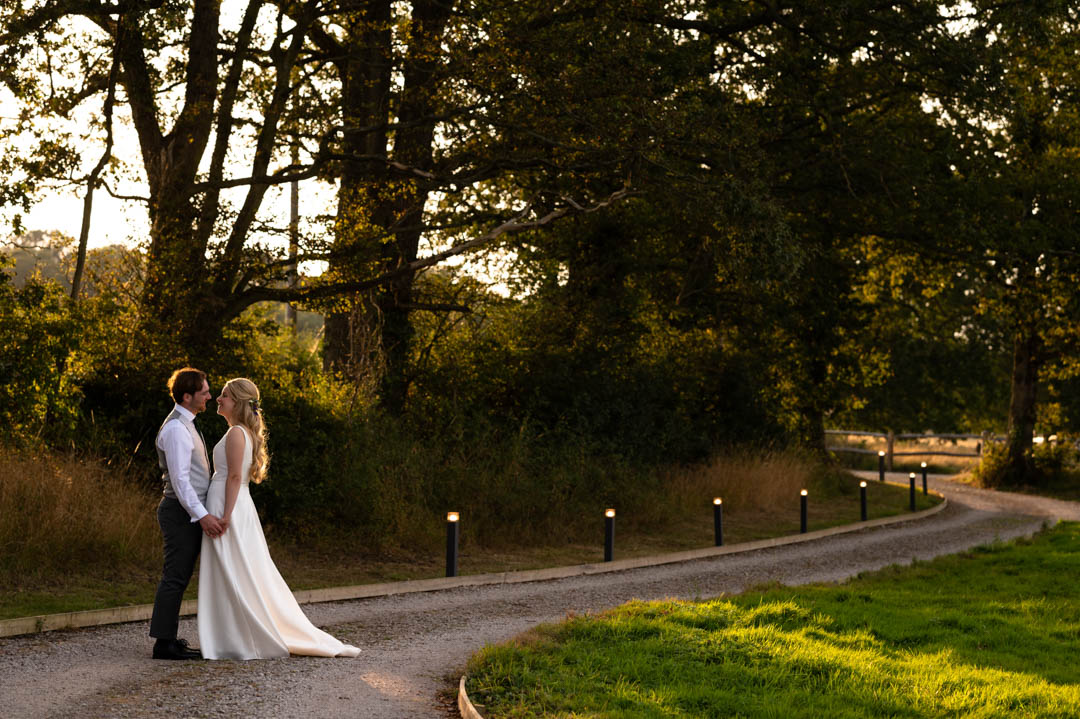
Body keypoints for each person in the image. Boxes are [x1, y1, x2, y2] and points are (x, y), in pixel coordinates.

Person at [197, 378, 360, 660]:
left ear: (237, 402)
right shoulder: (241, 432)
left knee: (232, 569)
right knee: (234, 569)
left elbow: (235, 476)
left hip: (229, 505)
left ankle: (236, 637)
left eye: (224, 396)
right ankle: (230, 633)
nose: (218, 400)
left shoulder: (237, 433)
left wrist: (225, 515)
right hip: (232, 504)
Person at [150, 367, 226, 660]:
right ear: (187, 396)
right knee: (175, 576)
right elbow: (181, 482)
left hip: (186, 512)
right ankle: (163, 644)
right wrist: (202, 516)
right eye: (204, 392)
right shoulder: (175, 429)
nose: (209, 395)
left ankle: (168, 637)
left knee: (180, 576)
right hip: (179, 513)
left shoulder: (188, 423)